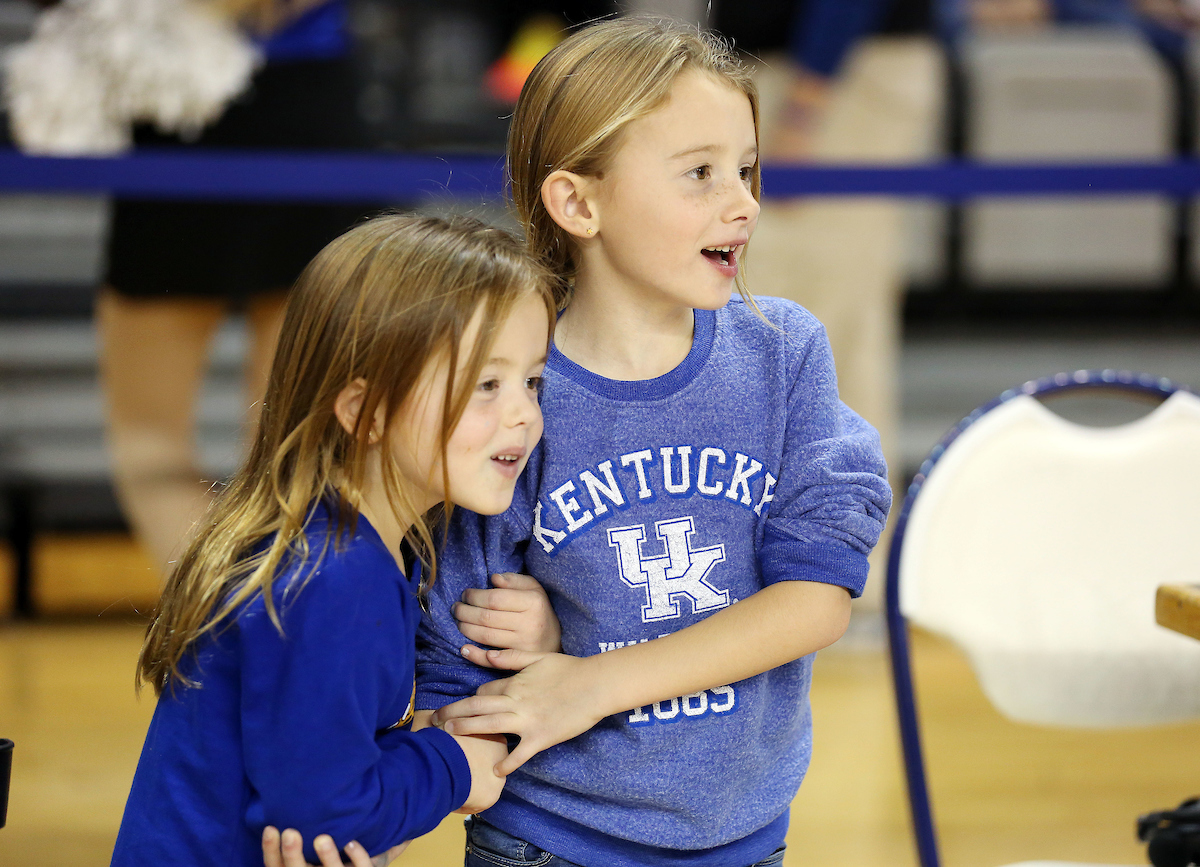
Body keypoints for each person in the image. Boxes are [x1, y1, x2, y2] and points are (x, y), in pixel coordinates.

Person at [414, 17, 892, 867]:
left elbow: (817, 598)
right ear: (578, 203)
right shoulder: (513, 391)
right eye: (700, 174)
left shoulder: (784, 354)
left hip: (746, 842)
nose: (743, 202)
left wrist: (587, 671)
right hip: (544, 841)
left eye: (745, 169)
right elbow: (458, 664)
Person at [109, 214, 558, 867]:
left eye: (532, 381)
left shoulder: (364, 544)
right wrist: (454, 764)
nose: (523, 413)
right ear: (364, 411)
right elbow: (324, 819)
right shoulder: (332, 576)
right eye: (486, 384)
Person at [97, 0, 370, 570]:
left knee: (154, 442)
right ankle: (252, 612)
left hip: (190, 113)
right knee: (294, 451)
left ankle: (221, 614)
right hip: (290, 115)